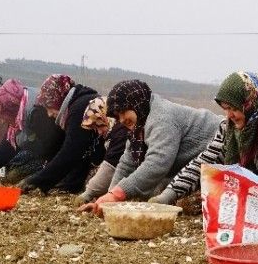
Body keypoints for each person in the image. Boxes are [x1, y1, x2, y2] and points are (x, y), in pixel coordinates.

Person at [78, 80, 221, 214]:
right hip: (195, 167)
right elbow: (126, 163)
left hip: (222, 153)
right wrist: (109, 198)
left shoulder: (161, 118)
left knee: (192, 205)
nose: (121, 120)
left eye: (123, 112)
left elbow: (157, 163)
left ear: (135, 104)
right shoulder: (140, 123)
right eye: (117, 116)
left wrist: (116, 195)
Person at [149, 71, 258, 205]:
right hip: (245, 199)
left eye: (233, 108)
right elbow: (203, 163)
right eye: (225, 109)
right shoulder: (227, 130)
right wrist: (169, 194)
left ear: (249, 103)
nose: (229, 115)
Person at [17, 75, 104, 194]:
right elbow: (81, 152)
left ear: (56, 99)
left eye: (49, 107)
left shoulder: (79, 108)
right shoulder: (78, 103)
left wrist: (35, 181)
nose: (48, 114)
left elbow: (71, 153)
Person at [0, 79, 63, 182]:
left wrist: (41, 179)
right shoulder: (19, 113)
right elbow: (9, 145)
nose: (2, 120)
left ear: (11, 109)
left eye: (4, 114)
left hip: (54, 157)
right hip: (41, 153)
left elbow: (53, 147)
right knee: (9, 174)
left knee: (13, 176)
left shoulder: (38, 113)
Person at [78, 102, 129, 204]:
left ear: (105, 117)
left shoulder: (121, 133)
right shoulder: (113, 132)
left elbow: (110, 167)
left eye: (99, 126)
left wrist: (88, 193)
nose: (99, 132)